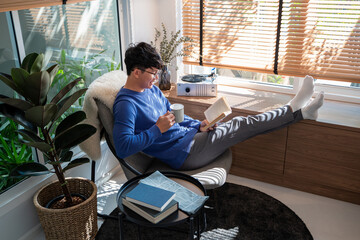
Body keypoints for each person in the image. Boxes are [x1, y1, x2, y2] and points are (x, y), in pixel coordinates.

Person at [113, 42, 324, 170]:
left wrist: (199, 125)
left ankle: (301, 112)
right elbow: (123, 148)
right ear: (136, 72)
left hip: (189, 138)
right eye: (152, 73)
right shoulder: (126, 104)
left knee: (243, 124)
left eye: (158, 73)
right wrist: (157, 129)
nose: (157, 78)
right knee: (243, 124)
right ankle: (295, 108)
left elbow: (173, 118)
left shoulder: (151, 89)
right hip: (185, 155)